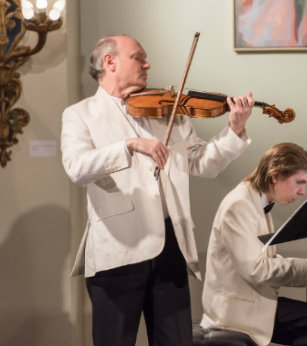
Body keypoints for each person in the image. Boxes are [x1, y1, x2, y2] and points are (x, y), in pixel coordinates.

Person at [60, 34, 254, 346]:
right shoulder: (81, 114)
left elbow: (204, 163)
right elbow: (77, 168)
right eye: (138, 57)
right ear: (110, 62)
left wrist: (234, 129)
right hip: (118, 249)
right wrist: (129, 145)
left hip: (171, 247)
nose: (147, 64)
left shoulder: (168, 112)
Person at [200, 142, 307, 346]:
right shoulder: (239, 205)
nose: (302, 192)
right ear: (275, 176)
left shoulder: (256, 200)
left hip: (253, 302)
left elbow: (263, 261)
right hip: (236, 311)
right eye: (298, 183)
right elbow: (256, 270)